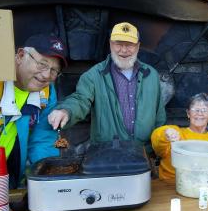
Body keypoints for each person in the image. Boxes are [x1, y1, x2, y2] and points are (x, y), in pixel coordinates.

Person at [48, 22, 166, 154]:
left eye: (129, 44)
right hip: (107, 153)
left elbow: (159, 114)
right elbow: (80, 99)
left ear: (138, 46)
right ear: (110, 44)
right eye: (118, 44)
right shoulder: (93, 75)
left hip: (145, 152)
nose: (124, 50)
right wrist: (66, 111)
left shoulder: (151, 75)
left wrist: (158, 148)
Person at [0, 34, 67, 188]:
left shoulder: (46, 92)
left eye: (54, 70)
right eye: (42, 64)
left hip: (9, 176)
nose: (46, 75)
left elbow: (43, 139)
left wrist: (47, 178)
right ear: (21, 56)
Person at [151, 93, 208, 180]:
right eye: (195, 109)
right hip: (171, 184)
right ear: (188, 113)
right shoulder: (177, 133)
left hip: (205, 185)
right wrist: (166, 133)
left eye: (204, 110)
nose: (199, 113)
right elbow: (157, 141)